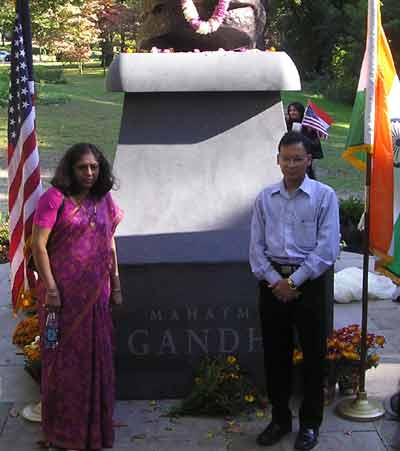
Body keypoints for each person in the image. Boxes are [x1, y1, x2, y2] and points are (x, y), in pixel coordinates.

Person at [249, 131, 340, 450]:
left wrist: (294, 281)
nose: (291, 164)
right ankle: (279, 419)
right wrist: (276, 281)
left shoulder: (324, 196)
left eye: (297, 158)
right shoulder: (264, 198)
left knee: (314, 356)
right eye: (285, 158)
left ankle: (310, 424)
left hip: (310, 286)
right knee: (276, 355)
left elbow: (327, 249)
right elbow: (256, 249)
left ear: (308, 160)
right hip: (272, 286)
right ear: (277, 160)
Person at [31, 143, 123, 450]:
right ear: (70, 169)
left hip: (96, 297)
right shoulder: (53, 199)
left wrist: (116, 284)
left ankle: (94, 431)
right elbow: (38, 246)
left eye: (94, 167)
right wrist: (52, 289)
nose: (89, 173)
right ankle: (62, 433)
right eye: (82, 167)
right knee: (61, 363)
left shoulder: (104, 199)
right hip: (60, 300)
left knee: (96, 361)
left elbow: (109, 243)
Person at [286, 102, 324, 180]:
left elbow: (314, 143)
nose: (292, 112)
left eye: (295, 110)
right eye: (290, 110)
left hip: (305, 156)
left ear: (300, 112)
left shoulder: (308, 125)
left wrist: (307, 132)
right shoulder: (287, 124)